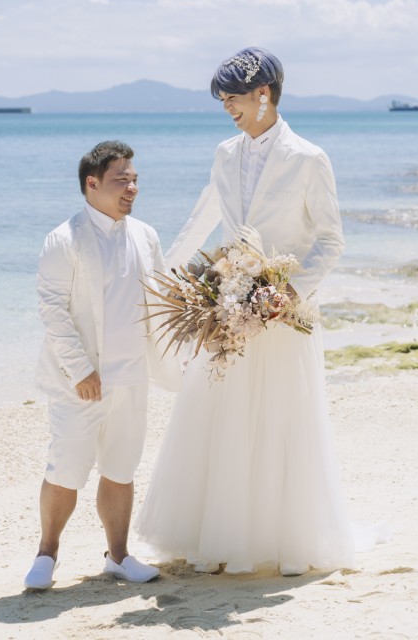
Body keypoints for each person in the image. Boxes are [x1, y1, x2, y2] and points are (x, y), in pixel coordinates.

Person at [136, 47, 355, 575]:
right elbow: (202, 218)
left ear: (264, 95)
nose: (226, 107)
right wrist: (161, 276)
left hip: (284, 317)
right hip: (226, 308)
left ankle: (283, 541)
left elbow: (330, 241)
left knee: (282, 420)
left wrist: (288, 293)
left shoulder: (309, 158)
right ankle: (219, 536)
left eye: (232, 97)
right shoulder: (224, 154)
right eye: (222, 99)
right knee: (221, 419)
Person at [24, 140, 182, 591]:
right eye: (121, 180)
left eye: (135, 179)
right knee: (66, 468)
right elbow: (52, 310)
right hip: (80, 382)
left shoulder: (145, 235)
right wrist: (80, 371)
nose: (132, 187)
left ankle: (118, 556)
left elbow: (161, 297)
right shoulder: (64, 239)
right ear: (92, 184)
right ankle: (46, 554)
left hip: (132, 376)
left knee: (121, 467)